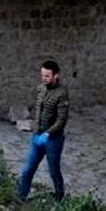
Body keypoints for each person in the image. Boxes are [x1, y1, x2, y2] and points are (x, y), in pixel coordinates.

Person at [17, 60, 69, 202]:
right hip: (37, 136)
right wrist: (34, 128)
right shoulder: (40, 89)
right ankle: (21, 196)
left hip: (53, 140)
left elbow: (62, 120)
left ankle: (59, 198)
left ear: (56, 76)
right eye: (42, 75)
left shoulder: (62, 94)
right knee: (28, 169)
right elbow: (38, 111)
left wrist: (48, 133)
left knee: (54, 171)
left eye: (47, 76)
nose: (44, 78)